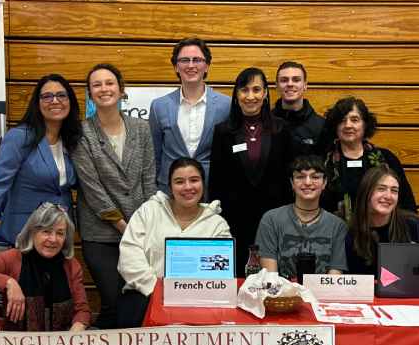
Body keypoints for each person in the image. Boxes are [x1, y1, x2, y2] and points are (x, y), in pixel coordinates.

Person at [0, 74, 82, 256]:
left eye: (61, 95)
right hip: (24, 234)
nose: (55, 101)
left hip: (58, 234)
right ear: (37, 103)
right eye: (47, 96)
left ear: (70, 101)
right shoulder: (19, 137)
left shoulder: (72, 140)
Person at [71, 63, 157, 329]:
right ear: (89, 93)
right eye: (96, 85)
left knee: (138, 300)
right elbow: (92, 189)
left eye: (109, 83)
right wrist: (124, 226)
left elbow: (148, 178)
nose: (104, 89)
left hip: (141, 232)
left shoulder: (141, 128)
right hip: (101, 234)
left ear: (121, 90)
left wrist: (143, 225)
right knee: (111, 299)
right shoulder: (81, 133)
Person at [117, 158, 231, 328]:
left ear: (203, 183)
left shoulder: (217, 224)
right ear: (170, 186)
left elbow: (219, 273)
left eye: (194, 180)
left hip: (199, 302)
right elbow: (129, 256)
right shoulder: (149, 212)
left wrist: (185, 295)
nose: (187, 187)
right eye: (179, 182)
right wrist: (157, 290)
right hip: (145, 296)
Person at [208, 67, 292, 275]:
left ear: (265, 94)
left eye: (256, 90)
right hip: (235, 220)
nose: (251, 96)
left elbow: (288, 177)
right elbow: (216, 180)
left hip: (273, 219)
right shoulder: (223, 131)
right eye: (244, 90)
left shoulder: (281, 129)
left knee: (272, 278)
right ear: (236, 95)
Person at [0, 202, 89, 332]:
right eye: (46, 231)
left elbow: (82, 310)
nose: (53, 239)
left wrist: (76, 330)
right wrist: (9, 282)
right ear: (32, 232)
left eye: (60, 233)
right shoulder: (14, 258)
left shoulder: (71, 265)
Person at [149, 37, 231, 194]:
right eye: (184, 60)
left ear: (206, 66)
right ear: (176, 67)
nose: (191, 65)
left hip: (211, 190)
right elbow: (154, 157)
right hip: (170, 191)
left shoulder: (225, 105)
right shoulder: (159, 106)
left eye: (197, 60)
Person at [320, 96, 416, 221]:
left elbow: (406, 201)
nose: (348, 125)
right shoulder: (323, 161)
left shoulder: (387, 159)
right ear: (335, 126)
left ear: (365, 124)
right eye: (342, 120)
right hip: (335, 232)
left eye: (354, 120)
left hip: (382, 231)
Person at [256, 155, 348, 279]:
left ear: (324, 182)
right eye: (300, 177)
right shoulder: (271, 219)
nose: (308, 182)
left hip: (322, 296)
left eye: (315, 177)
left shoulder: (338, 225)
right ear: (292, 183)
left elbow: (334, 279)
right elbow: (270, 278)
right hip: (281, 296)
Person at [346, 165, 419, 275]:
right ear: (366, 192)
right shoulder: (351, 232)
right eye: (381, 189)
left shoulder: (413, 224)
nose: (388, 196)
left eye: (394, 191)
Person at [272, 61, 325, 157]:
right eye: (284, 80)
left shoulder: (321, 126)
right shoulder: (266, 122)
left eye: (296, 80)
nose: (290, 84)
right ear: (277, 86)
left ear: (305, 85)